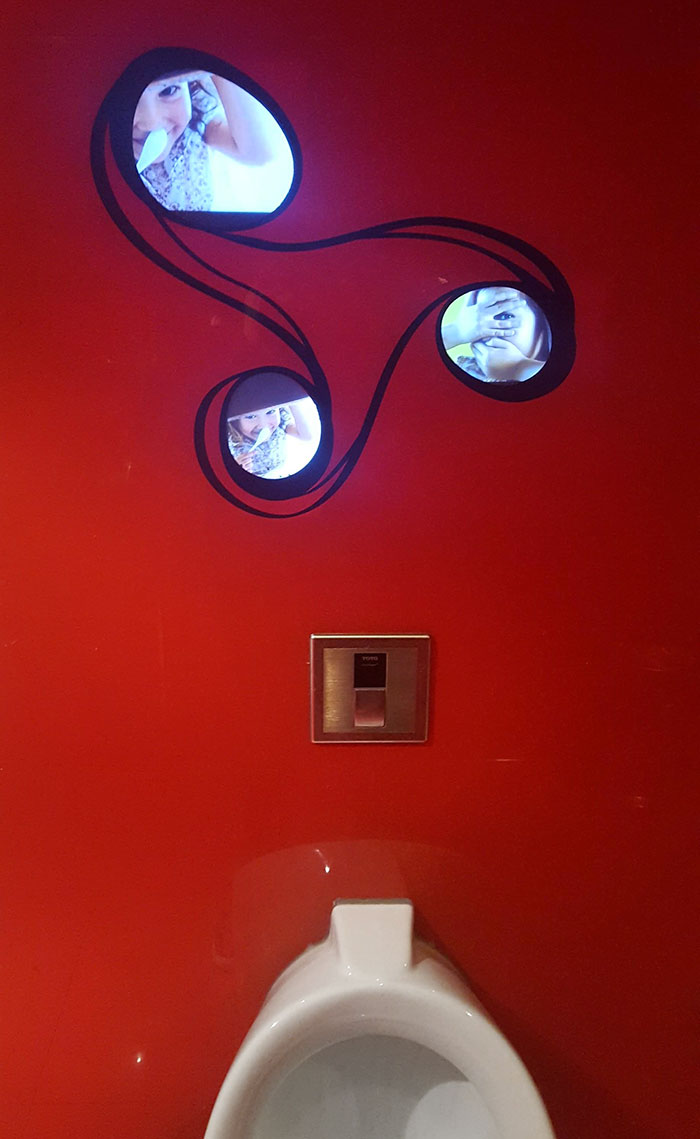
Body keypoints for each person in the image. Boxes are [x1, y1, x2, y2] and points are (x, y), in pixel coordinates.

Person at [132, 70, 293, 212]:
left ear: (190, 87)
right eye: (129, 102)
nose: (151, 123)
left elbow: (258, 152)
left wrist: (217, 65)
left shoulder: (197, 117)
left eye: (168, 90)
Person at [441, 287, 550, 383]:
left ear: (542, 325)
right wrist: (455, 332)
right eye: (476, 323)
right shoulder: (467, 370)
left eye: (505, 317)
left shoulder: (559, 368)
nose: (485, 331)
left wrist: (518, 367)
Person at [227, 397, 319, 478]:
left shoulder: (281, 423)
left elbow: (306, 436)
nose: (263, 425)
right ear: (235, 422)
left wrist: (292, 403)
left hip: (283, 471)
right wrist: (238, 471)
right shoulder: (233, 445)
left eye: (270, 411)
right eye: (251, 416)